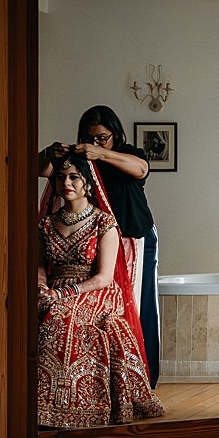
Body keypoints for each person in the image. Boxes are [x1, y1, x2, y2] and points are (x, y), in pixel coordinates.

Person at [36, 152, 164, 427]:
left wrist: (62, 294)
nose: (65, 183)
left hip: (94, 290)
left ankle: (68, 407)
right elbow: (40, 266)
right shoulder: (46, 223)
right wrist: (41, 287)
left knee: (61, 317)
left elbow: (105, 277)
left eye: (73, 177)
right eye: (60, 177)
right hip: (54, 287)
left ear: (88, 184)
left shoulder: (103, 223)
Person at [39, 105, 160, 385]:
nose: (95, 143)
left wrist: (102, 153)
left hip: (133, 238)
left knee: (139, 307)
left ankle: (145, 378)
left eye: (102, 137)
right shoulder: (77, 162)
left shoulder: (129, 154)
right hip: (92, 240)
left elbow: (141, 170)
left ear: (115, 134)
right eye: (89, 138)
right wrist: (49, 154)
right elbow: (39, 170)